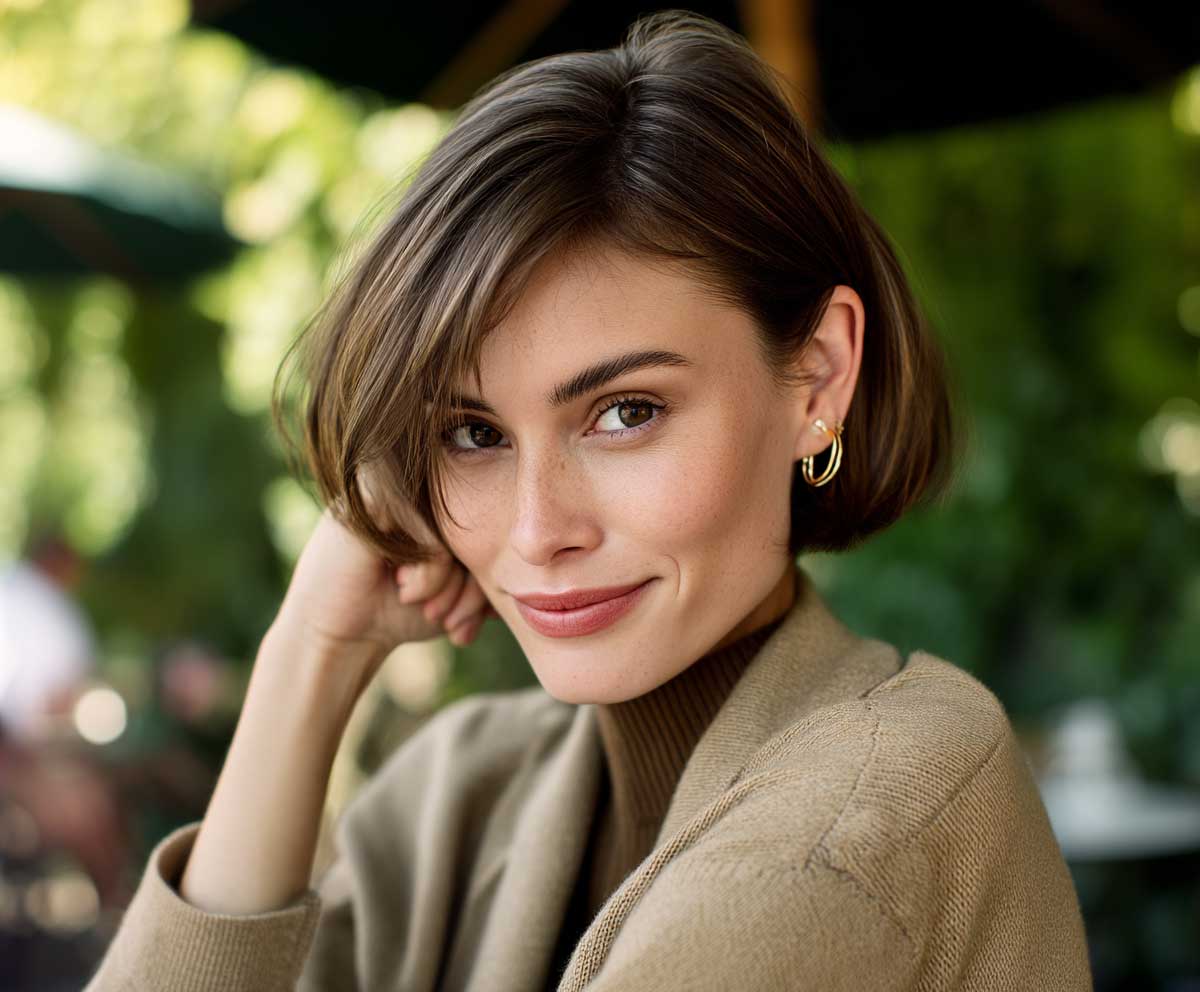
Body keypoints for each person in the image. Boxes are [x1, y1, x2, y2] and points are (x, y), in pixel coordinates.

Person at [83, 10, 1092, 991]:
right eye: (471, 433)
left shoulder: (875, 810)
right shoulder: (461, 794)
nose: (537, 528)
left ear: (818, 376)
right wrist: (309, 654)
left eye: (626, 412)